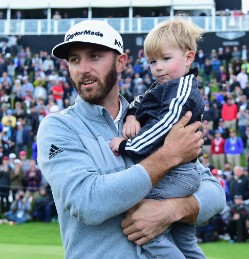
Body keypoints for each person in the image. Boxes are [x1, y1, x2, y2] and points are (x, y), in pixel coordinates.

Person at [37, 20, 225, 258]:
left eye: (94, 56)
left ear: (120, 62)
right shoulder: (59, 127)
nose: (82, 68)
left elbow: (215, 193)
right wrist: (168, 155)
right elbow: (88, 202)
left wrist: (172, 210)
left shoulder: (154, 116)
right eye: (74, 59)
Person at [109, 17, 207, 259]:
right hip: (174, 171)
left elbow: (165, 125)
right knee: (185, 241)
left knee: (142, 219)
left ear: (188, 58)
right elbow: (140, 101)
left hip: (177, 174)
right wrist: (132, 116)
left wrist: (127, 145)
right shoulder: (161, 86)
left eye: (166, 59)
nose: (158, 67)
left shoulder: (183, 89)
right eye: (153, 61)